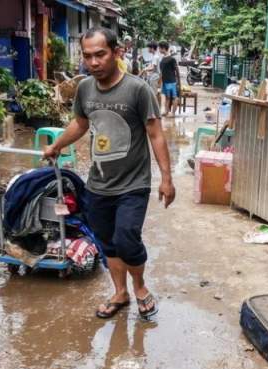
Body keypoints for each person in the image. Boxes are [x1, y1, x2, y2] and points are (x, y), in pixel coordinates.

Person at [42, 27, 176, 320]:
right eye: (87, 56)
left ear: (117, 53)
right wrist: (56, 145)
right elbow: (80, 124)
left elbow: (155, 133)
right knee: (108, 242)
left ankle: (139, 288)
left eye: (100, 54)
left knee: (127, 238)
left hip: (133, 183)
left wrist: (166, 178)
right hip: (98, 183)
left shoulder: (137, 89)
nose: (93, 62)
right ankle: (120, 292)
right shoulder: (85, 89)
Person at [158, 42, 180, 117]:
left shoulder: (172, 59)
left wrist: (178, 83)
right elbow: (162, 72)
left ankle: (173, 113)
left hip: (172, 81)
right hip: (165, 81)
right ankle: (167, 111)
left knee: (174, 97)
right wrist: (160, 81)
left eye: (160, 48)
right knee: (167, 97)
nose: (159, 50)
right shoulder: (163, 58)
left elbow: (176, 70)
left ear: (163, 48)